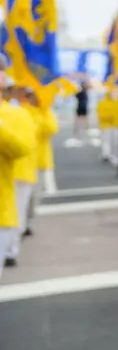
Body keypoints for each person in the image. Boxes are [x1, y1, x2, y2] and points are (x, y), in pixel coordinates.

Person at [0, 91, 35, 282]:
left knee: (20, 208)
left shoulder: (20, 115)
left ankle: (12, 251)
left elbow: (22, 148)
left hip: (14, 183)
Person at [5, 84, 39, 266]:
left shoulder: (27, 114)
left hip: (22, 170)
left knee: (16, 212)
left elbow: (25, 145)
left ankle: (11, 250)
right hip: (8, 172)